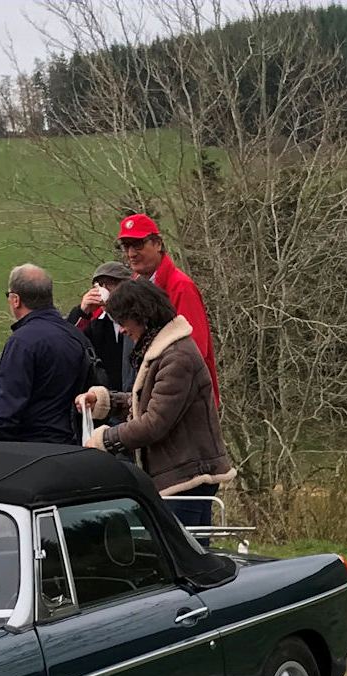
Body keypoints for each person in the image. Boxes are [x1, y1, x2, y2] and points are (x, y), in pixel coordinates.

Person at [76, 277, 231, 524]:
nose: (122, 330)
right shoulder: (165, 352)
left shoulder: (177, 358)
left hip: (185, 479)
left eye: (123, 321)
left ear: (142, 316)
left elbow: (155, 422)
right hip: (179, 475)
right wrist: (106, 401)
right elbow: (149, 401)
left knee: (181, 549)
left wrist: (105, 439)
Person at [0, 264, 98, 444]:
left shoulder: (21, 342)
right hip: (72, 443)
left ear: (15, 300)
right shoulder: (76, 336)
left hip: (32, 447)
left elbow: (8, 406)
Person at [115, 213, 220, 409]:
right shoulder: (135, 287)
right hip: (154, 396)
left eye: (138, 245)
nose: (131, 253)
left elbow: (196, 350)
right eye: (126, 246)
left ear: (158, 244)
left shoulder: (181, 287)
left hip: (184, 401)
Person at [68, 260, 134, 391]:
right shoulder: (96, 326)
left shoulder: (139, 323)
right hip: (104, 398)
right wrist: (82, 312)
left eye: (110, 284)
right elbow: (68, 343)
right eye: (99, 285)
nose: (104, 290)